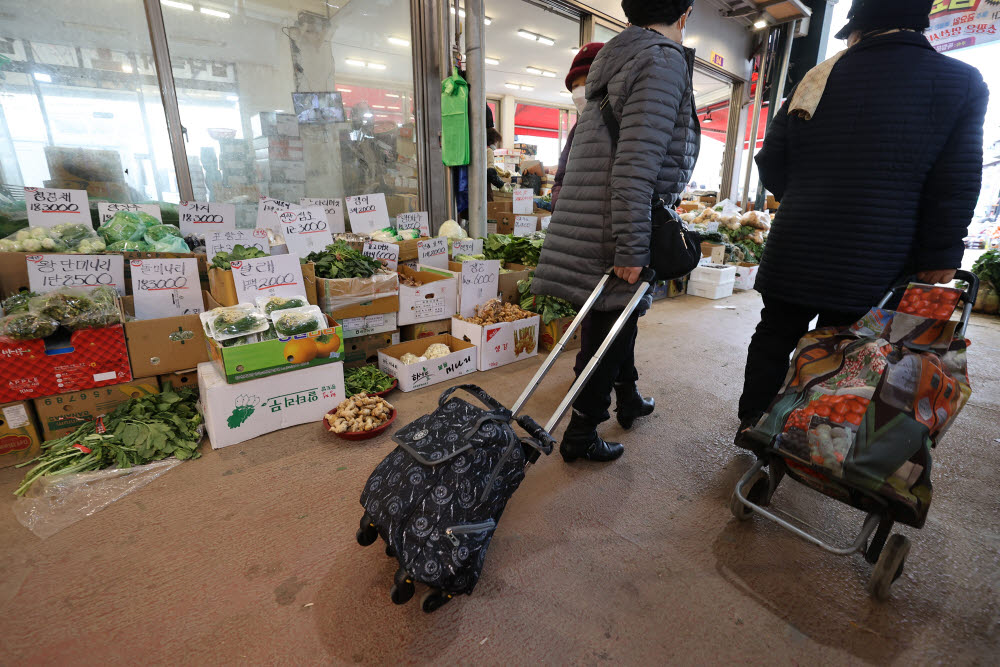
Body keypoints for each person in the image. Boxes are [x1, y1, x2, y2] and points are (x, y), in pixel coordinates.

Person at [736, 0, 988, 440]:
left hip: (797, 241)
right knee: (849, 349)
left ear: (858, 28)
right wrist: (941, 252)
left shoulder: (821, 75)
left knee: (775, 331)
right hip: (878, 254)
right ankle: (810, 437)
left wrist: (803, 199)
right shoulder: (961, 82)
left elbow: (771, 158)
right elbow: (956, 179)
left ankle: (754, 423)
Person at [532, 0, 699, 463]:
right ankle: (581, 434)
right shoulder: (661, 59)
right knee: (609, 329)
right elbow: (636, 165)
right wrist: (630, 246)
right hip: (616, 224)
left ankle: (627, 396)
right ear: (685, 14)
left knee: (619, 319)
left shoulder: (614, 57)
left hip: (593, 217)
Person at [551, 42, 604, 211]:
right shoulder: (577, 130)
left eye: (587, 82)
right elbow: (561, 177)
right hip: (570, 218)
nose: (581, 91)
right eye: (575, 86)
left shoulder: (618, 125)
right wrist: (558, 202)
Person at [486, 128, 505, 200]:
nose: (496, 144)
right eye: (496, 141)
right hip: (484, 188)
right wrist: (500, 185)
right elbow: (490, 172)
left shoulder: (480, 149)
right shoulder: (489, 151)